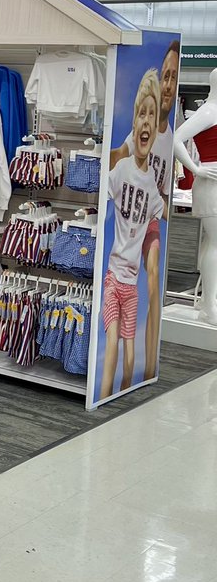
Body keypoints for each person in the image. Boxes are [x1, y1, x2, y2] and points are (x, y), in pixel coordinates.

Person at [109, 40, 179, 379]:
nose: (168, 84)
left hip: (153, 217)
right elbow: (119, 154)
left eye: (174, 78)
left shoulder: (172, 134)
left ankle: (149, 366)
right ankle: (136, 365)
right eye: (165, 75)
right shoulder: (142, 131)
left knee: (152, 277)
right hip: (134, 216)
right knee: (132, 282)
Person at [101, 70, 165, 400]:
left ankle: (121, 397)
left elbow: (161, 211)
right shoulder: (121, 170)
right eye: (142, 113)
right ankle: (102, 397)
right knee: (112, 341)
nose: (146, 121)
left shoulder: (152, 183)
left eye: (151, 116)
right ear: (135, 122)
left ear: (154, 130)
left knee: (130, 356)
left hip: (132, 287)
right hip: (113, 279)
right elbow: (104, 187)